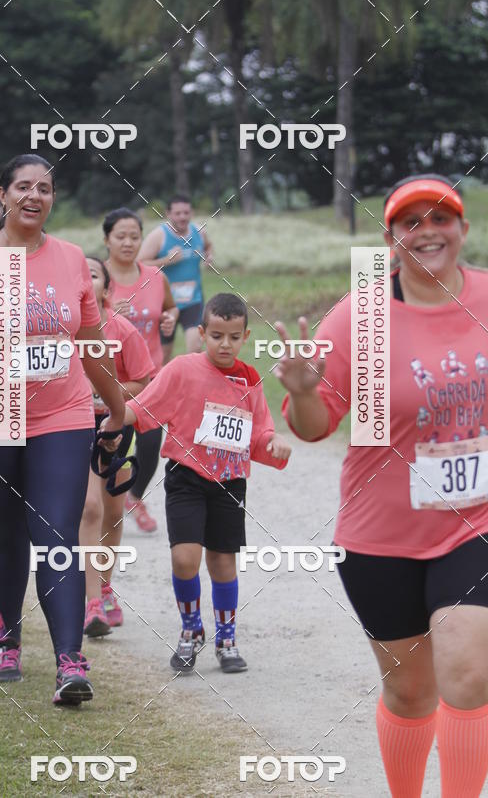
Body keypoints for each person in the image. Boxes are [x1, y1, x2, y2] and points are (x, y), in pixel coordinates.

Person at [275, 174, 488, 797]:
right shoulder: (361, 318)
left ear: (463, 228)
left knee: (468, 673)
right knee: (410, 689)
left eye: (441, 218)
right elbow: (315, 427)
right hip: (381, 533)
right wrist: (304, 390)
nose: (428, 232)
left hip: (474, 522)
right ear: (390, 238)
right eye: (410, 222)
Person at [0, 154, 125, 706]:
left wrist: (117, 409)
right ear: (3, 194)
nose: (34, 196)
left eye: (45, 188)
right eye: (23, 187)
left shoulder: (69, 259)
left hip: (62, 414)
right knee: (8, 533)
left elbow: (91, 345)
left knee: (56, 534)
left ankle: (70, 662)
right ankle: (7, 639)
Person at [120, 293, 291, 673]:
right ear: (201, 333)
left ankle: (226, 639)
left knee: (222, 562)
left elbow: (259, 431)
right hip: (186, 478)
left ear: (246, 337)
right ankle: (191, 629)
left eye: (233, 337)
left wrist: (273, 442)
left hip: (230, 482)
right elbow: (145, 406)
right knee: (185, 558)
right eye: (216, 336)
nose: (224, 344)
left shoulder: (249, 380)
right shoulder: (182, 369)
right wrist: (113, 417)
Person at [79, 256, 155, 637]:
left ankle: (106, 589)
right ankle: (92, 602)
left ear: (107, 289)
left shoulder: (122, 330)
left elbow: (144, 380)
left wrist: (110, 392)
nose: (83, 280)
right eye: (77, 275)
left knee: (111, 512)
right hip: (75, 427)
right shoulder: (61, 331)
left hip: (117, 427)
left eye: (92, 275)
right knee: (89, 508)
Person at [103, 207, 179, 533]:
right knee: (112, 445)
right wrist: (107, 312)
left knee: (150, 447)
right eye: (120, 236)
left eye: (134, 236)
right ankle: (105, 505)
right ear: (107, 240)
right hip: (107, 379)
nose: (128, 243)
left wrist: (170, 319)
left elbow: (171, 308)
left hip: (149, 378)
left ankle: (133, 497)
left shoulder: (156, 277)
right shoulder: (96, 277)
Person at [138, 196, 213, 365]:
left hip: (193, 300)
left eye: (186, 212)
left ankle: (189, 380)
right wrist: (166, 260)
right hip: (165, 303)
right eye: (178, 213)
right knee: (163, 355)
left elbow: (208, 246)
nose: (182, 217)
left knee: (195, 348)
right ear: (168, 214)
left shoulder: (199, 232)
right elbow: (139, 264)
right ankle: (163, 380)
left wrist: (209, 256)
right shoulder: (158, 236)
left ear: (192, 213)